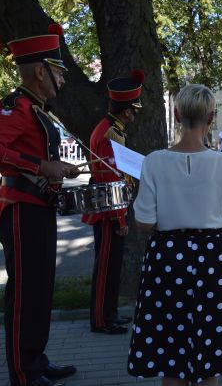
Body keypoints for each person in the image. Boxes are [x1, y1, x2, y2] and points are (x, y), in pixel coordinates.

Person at [127, 84, 222, 386]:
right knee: (209, 349)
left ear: (176, 115)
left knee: (171, 350)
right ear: (211, 117)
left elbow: (143, 222)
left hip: (167, 256)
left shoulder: (153, 161)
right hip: (213, 257)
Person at [0, 24, 79, 386]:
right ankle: (22, 373)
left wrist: (60, 168)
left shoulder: (38, 109)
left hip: (39, 207)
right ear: (39, 71)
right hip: (19, 209)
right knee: (24, 293)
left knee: (41, 288)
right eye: (58, 72)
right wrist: (39, 167)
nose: (62, 81)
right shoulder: (16, 105)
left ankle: (36, 358)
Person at [81, 70, 145, 334]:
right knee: (106, 267)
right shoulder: (109, 132)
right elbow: (110, 179)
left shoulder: (112, 128)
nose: (135, 114)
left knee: (112, 266)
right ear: (126, 111)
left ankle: (109, 314)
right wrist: (120, 218)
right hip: (109, 210)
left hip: (112, 208)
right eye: (133, 109)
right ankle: (100, 319)